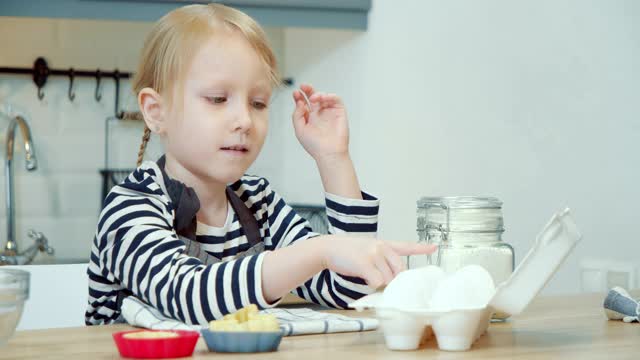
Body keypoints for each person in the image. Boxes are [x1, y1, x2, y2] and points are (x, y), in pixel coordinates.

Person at [85, 3, 436, 325]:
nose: (244, 120)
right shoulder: (130, 206)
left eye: (258, 103)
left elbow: (347, 289)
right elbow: (188, 296)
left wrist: (333, 158)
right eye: (218, 99)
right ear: (155, 112)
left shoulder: (257, 200)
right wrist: (320, 249)